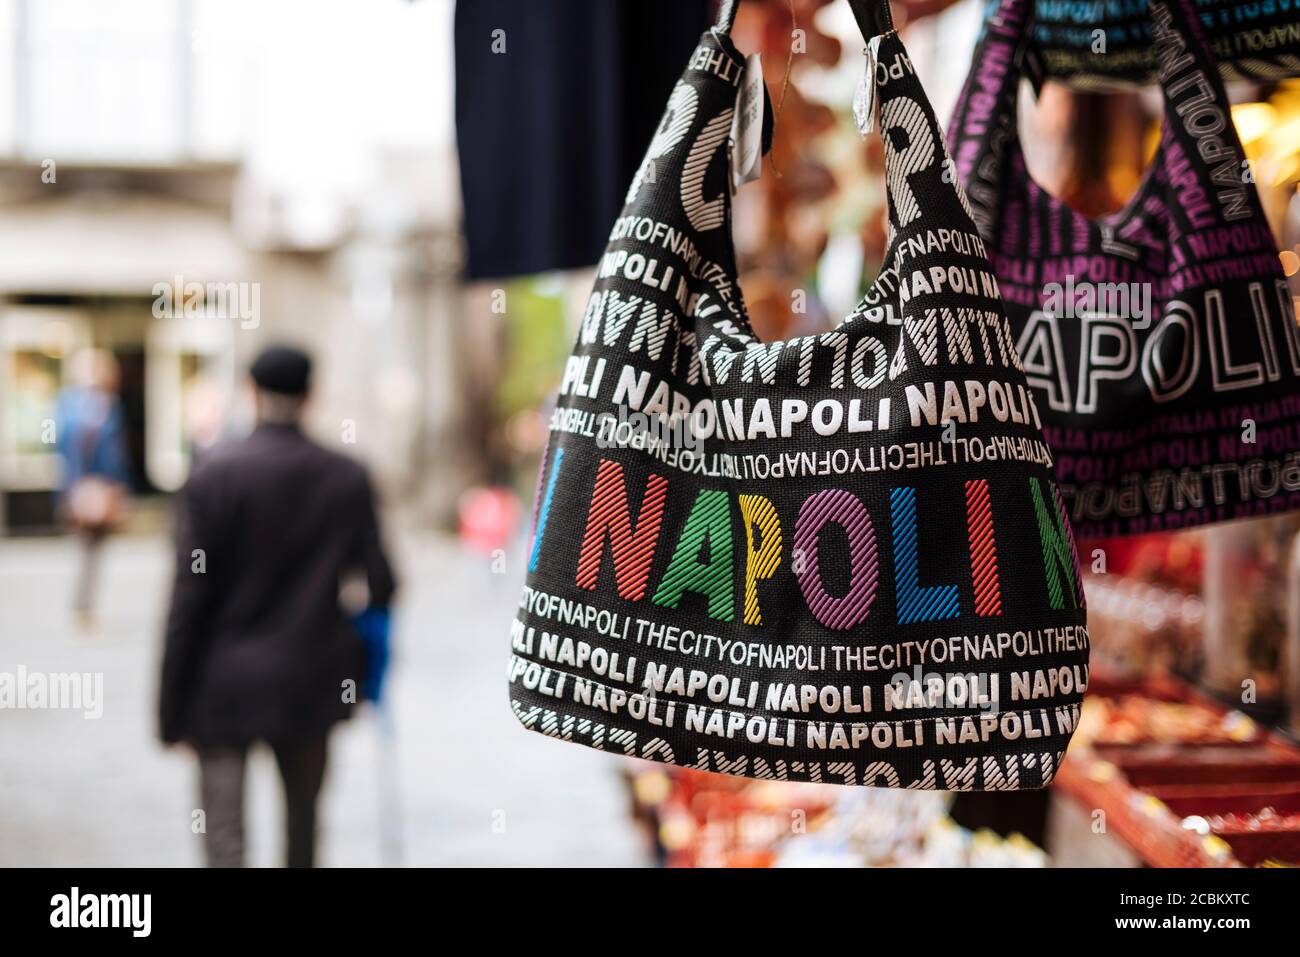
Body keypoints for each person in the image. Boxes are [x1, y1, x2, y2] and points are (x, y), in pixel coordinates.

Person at [158, 345, 397, 868]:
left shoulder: (212, 475)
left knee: (223, 837)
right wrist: (360, 659)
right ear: (312, 394)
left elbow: (188, 596)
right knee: (304, 828)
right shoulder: (346, 475)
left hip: (222, 681)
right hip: (310, 676)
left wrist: (170, 706)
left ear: (251, 391)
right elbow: (382, 582)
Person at [55, 349, 131, 624]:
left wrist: (119, 485)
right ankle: (83, 607)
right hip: (85, 487)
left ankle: (85, 606)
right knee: (88, 547)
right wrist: (76, 487)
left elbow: (116, 453)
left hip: (100, 486)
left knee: (95, 548)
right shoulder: (72, 405)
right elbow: (64, 447)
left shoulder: (107, 405)